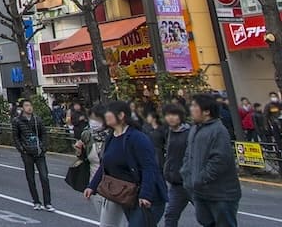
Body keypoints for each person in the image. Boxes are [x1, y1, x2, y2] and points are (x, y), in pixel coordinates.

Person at [86, 100, 167, 227]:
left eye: (109, 112)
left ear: (121, 115)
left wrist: (146, 194)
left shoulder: (137, 138)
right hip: (127, 195)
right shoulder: (111, 137)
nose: (105, 115)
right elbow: (105, 165)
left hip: (147, 197)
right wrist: (92, 186)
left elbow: (149, 167)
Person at [181, 93, 241, 227]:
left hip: (221, 194)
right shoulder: (194, 129)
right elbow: (188, 155)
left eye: (195, 106)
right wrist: (186, 174)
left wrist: (199, 179)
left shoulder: (218, 130)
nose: (191, 109)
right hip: (200, 192)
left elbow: (219, 160)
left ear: (207, 111)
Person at [13, 98, 53, 211]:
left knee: (44, 177)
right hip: (27, 153)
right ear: (22, 108)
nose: (29, 107)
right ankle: (36, 201)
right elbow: (16, 137)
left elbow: (44, 133)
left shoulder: (37, 120)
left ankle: (48, 202)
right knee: (30, 178)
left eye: (30, 105)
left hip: (39, 152)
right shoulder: (17, 121)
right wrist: (21, 149)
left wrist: (44, 147)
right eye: (26, 105)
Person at [160, 102, 191, 227]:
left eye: (174, 115)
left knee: (205, 216)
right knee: (170, 214)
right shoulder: (168, 132)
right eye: (168, 115)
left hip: (191, 181)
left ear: (180, 116)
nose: (171, 118)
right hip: (176, 183)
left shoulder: (189, 132)